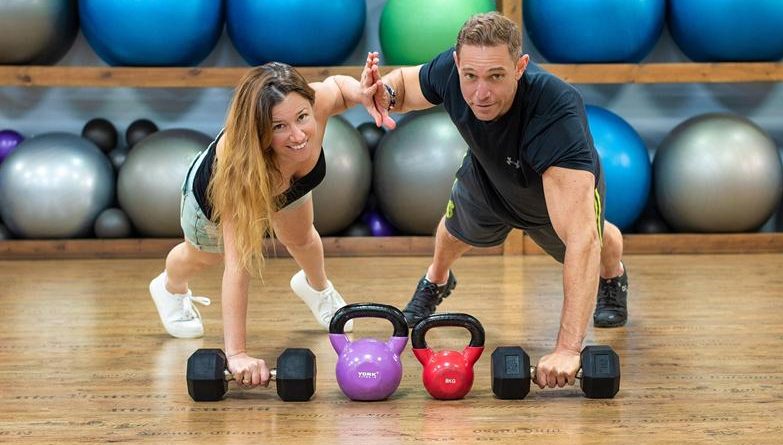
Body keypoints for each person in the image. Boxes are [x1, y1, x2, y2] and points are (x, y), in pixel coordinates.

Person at [363, 12, 629, 390]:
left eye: (496, 76)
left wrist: (568, 349)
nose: (480, 93)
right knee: (452, 232)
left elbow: (581, 240)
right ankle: (435, 281)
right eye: (470, 75)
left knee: (596, 241)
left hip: (549, 195)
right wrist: (385, 93)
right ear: (457, 63)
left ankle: (613, 278)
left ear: (520, 67)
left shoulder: (556, 109)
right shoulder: (451, 71)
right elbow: (405, 83)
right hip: (489, 175)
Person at [149, 62, 380, 386]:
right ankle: (169, 287)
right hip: (218, 200)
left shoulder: (314, 104)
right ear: (259, 131)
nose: (298, 135)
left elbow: (339, 88)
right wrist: (237, 354)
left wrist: (363, 92)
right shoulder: (238, 171)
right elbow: (239, 266)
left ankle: (317, 288)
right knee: (203, 256)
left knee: (303, 238)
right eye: (279, 126)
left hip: (286, 184)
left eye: (302, 117)